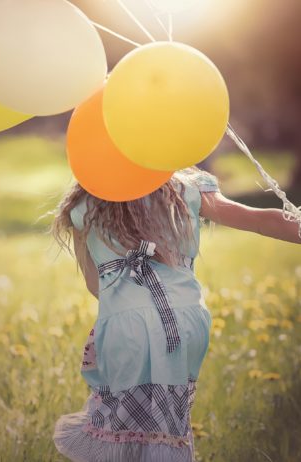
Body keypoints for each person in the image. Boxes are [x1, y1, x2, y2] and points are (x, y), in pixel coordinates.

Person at [49, 166, 301, 462]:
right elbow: (257, 219)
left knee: (124, 426)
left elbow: (95, 285)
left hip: (126, 323)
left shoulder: (83, 205)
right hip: (185, 319)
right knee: (167, 425)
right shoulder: (186, 187)